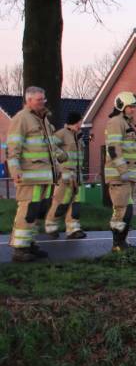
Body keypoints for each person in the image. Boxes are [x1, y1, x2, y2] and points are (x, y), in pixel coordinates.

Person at [7, 87, 66, 262]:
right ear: (29, 100)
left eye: (43, 99)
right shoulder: (21, 119)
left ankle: (29, 244)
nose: (43, 102)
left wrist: (58, 167)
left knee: (37, 212)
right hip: (29, 177)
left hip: (44, 177)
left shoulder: (43, 120)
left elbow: (50, 148)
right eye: (39, 100)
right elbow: (13, 149)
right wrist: (15, 170)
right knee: (28, 211)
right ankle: (20, 249)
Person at [104, 91, 136, 252]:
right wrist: (122, 170)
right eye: (130, 107)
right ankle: (117, 244)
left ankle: (122, 242)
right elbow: (113, 149)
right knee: (121, 211)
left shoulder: (126, 123)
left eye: (134, 107)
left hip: (127, 177)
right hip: (119, 176)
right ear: (121, 106)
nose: (133, 109)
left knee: (128, 211)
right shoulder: (116, 122)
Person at [45, 112, 87, 239]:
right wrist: (61, 158)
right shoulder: (62, 133)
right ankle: (51, 226)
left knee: (76, 204)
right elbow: (49, 146)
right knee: (60, 202)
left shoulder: (78, 135)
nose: (81, 123)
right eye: (80, 121)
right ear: (75, 121)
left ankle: (73, 229)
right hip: (66, 176)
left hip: (77, 176)